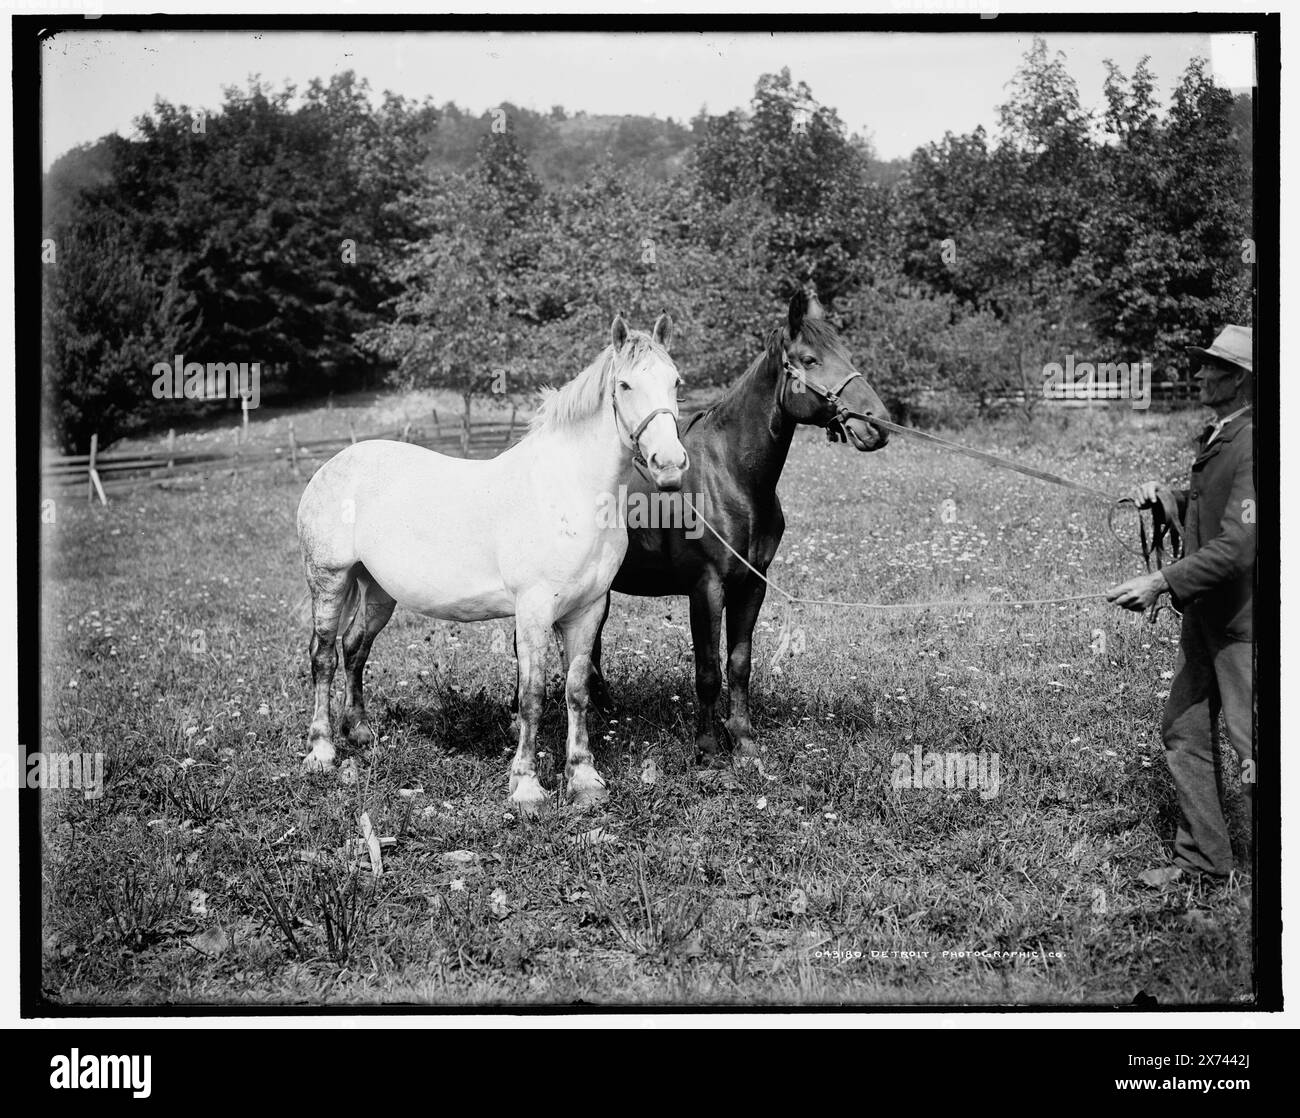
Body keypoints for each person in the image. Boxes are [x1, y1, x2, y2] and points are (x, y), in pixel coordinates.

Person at [1106, 325, 1255, 879]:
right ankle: (1204, 863)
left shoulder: (1256, 441)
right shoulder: (1221, 435)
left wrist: (1161, 581)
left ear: (1239, 379)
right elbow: (1213, 505)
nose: (1198, 375)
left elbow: (1242, 545)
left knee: (1253, 751)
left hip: (1243, 627)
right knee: (1185, 732)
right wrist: (1168, 497)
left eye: (1210, 367)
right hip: (1206, 618)